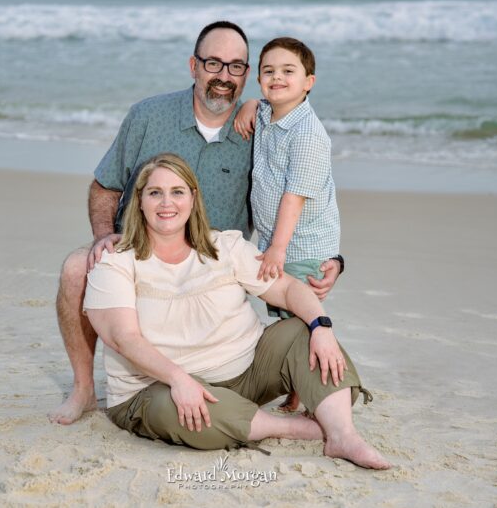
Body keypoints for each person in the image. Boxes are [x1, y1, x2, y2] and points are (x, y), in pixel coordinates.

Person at [49, 22, 344, 425]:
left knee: (298, 306)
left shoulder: (260, 130)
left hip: (214, 262)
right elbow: (105, 185)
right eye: (213, 63)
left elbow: (302, 189)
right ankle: (83, 389)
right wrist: (104, 236)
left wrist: (333, 258)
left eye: (236, 66)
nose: (224, 76)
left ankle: (296, 395)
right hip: (139, 249)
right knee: (74, 268)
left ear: (247, 76)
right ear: (193, 66)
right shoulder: (149, 115)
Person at [84, 153, 390, 469]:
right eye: (155, 192)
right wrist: (178, 379)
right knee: (184, 411)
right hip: (154, 387)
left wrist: (321, 326)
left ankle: (343, 436)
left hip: (245, 373)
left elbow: (287, 289)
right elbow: (124, 338)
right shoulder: (116, 263)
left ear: (192, 198)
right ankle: (298, 428)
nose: (167, 203)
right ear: (140, 200)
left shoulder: (225, 247)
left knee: (303, 330)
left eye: (177, 191)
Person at [235, 37, 342, 411]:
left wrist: (276, 249)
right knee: (287, 315)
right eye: (268, 71)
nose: (277, 77)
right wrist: (249, 104)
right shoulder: (267, 112)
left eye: (288, 71)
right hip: (277, 237)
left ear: (308, 82)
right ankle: (298, 388)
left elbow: (294, 198)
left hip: (303, 243)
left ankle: (312, 390)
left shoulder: (308, 135)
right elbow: (258, 103)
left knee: (300, 319)